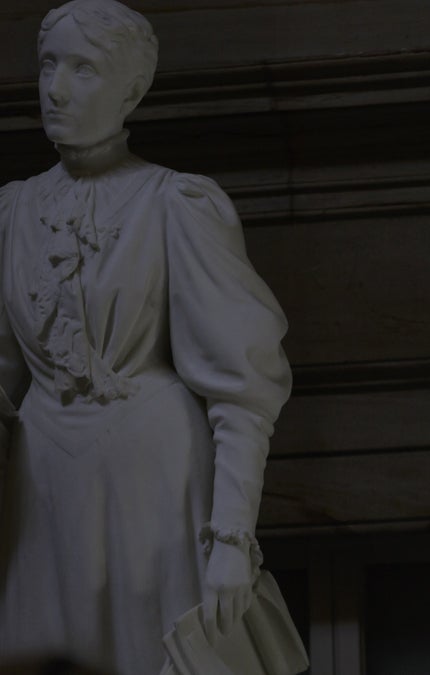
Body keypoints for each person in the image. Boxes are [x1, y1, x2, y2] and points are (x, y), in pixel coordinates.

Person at [0, 1, 302, 673]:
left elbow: (243, 389)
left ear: (131, 89)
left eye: (83, 69)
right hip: (41, 485)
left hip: (156, 483)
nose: (55, 89)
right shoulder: (11, 211)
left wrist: (230, 534)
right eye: (49, 65)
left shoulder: (178, 205)